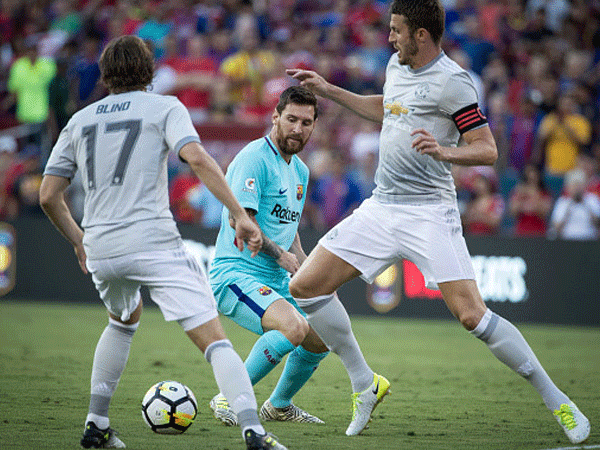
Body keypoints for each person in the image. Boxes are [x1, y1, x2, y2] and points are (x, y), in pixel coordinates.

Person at [286, 0, 590, 444]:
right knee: (306, 286)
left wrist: (444, 151)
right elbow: (388, 107)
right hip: (382, 205)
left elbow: (486, 148)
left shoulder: (453, 82)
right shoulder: (396, 65)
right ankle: (364, 383)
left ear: (421, 35)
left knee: (472, 316)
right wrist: (330, 90)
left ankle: (557, 400)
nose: (390, 37)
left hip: (430, 211)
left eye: (397, 30)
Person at [39, 35, 286, 450]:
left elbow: (48, 195)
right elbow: (198, 158)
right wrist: (240, 214)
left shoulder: (79, 120)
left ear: (105, 75)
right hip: (151, 239)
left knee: (123, 319)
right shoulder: (165, 107)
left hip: (100, 245)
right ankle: (254, 431)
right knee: (215, 340)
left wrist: (79, 241)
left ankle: (96, 424)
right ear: (148, 70)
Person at [207, 86, 334, 426]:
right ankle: (229, 397)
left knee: (321, 337)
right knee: (293, 327)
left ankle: (278, 405)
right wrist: (279, 256)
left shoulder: (300, 172)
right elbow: (241, 222)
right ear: (275, 117)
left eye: (306, 122)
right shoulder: (254, 158)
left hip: (275, 280)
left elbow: (287, 229)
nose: (297, 129)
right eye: (291, 119)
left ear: (314, 125)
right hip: (236, 275)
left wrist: (306, 266)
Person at [547, 168, 600, 240]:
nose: (577, 188)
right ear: (568, 187)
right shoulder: (562, 202)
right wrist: (569, 207)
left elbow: (598, 224)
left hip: (589, 240)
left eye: (579, 185)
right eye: (574, 185)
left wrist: (585, 204)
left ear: (585, 186)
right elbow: (556, 228)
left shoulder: (592, 199)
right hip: (568, 241)